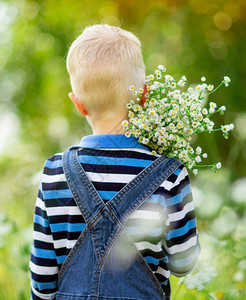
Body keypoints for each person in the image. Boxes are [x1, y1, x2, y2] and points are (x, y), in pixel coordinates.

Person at [29, 24, 200, 300]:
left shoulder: (54, 173)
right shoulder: (171, 175)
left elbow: (43, 277)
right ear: (144, 97)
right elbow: (184, 263)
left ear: (78, 104)